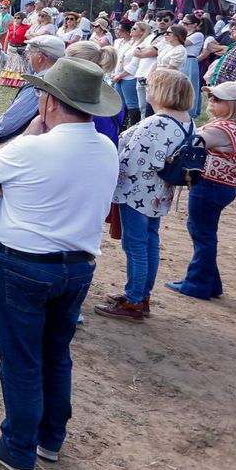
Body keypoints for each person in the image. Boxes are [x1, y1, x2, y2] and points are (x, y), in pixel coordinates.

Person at [0, 57, 121, 470]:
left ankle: (18, 446)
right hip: (77, 266)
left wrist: (32, 130)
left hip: (22, 264)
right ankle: (50, 437)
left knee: (21, 359)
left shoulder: (34, 147)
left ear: (51, 102)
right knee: (55, 354)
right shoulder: (106, 148)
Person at [95, 70, 195, 322]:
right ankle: (141, 295)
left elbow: (134, 158)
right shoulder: (187, 121)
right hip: (159, 194)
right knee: (149, 243)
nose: (146, 88)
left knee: (136, 245)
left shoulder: (157, 123)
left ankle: (134, 301)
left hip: (137, 191)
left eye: (149, 85)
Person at [164, 81, 236, 301]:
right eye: (211, 98)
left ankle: (197, 284)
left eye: (218, 99)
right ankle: (210, 282)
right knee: (205, 233)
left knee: (202, 234)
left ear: (233, 105)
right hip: (227, 185)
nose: (211, 102)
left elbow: (189, 142)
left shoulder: (219, 129)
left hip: (209, 185)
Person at [0, 35, 67, 146]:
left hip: (28, 145)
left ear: (40, 57)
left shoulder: (40, 84)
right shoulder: (64, 78)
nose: (27, 57)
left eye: (29, 52)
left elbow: (14, 117)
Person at [112, 22, 144, 127]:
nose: (132, 30)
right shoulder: (128, 43)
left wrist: (120, 75)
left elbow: (134, 64)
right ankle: (121, 126)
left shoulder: (141, 44)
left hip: (129, 77)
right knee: (119, 104)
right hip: (119, 76)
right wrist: (114, 73)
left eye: (134, 29)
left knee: (132, 104)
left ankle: (134, 126)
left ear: (142, 32)